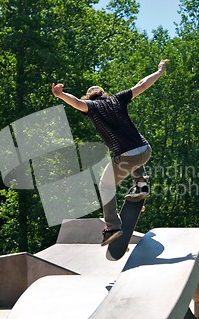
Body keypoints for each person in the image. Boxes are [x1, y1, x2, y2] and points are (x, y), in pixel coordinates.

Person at [52, 59, 169, 246]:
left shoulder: (91, 107)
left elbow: (75, 103)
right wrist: (159, 71)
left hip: (126, 156)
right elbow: (142, 84)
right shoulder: (118, 99)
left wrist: (61, 94)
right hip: (145, 150)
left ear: (89, 98)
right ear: (104, 94)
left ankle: (112, 226)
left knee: (106, 185)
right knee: (133, 159)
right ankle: (141, 183)